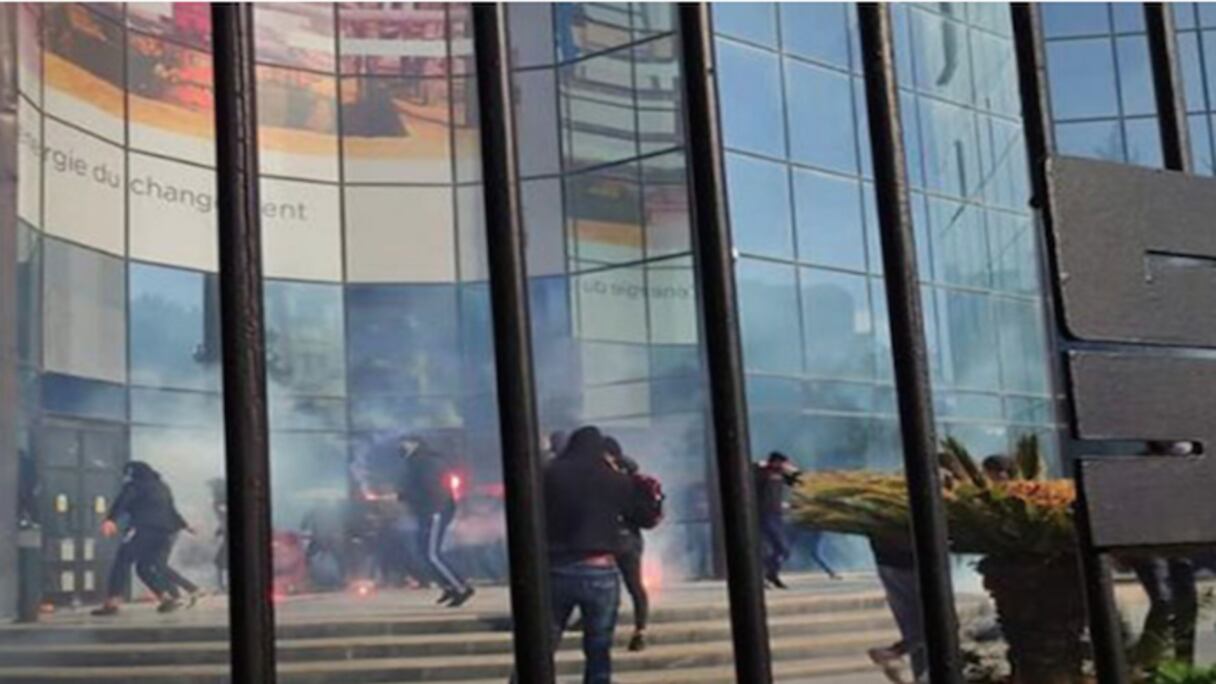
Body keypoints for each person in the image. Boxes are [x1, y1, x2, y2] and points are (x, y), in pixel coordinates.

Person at [544, 426, 658, 684]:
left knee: (543, 642)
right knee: (598, 647)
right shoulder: (615, 479)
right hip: (601, 568)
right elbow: (642, 516)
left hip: (558, 566)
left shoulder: (550, 474)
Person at [1126, 441, 1199, 668]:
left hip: (1177, 539)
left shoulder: (1189, 461)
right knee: (1164, 601)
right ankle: (1147, 664)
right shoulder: (1139, 467)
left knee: (1187, 603)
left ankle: (1183, 665)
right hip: (1147, 542)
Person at [93, 462, 198, 616]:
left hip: (142, 529)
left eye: (127, 473)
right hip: (163, 533)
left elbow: (123, 501)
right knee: (144, 567)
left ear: (132, 473)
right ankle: (166, 598)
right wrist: (184, 525)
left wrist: (111, 519)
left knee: (122, 561)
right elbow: (171, 509)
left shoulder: (134, 485)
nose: (126, 477)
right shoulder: (162, 486)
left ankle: (112, 603)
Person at [397, 436, 474, 607]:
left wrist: (408, 496)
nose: (401, 447)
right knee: (426, 553)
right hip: (430, 512)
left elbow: (429, 488)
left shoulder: (425, 462)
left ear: (415, 444)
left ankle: (460, 586)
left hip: (433, 511)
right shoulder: (419, 462)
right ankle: (450, 585)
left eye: (405, 443)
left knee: (432, 554)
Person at [604, 436, 661, 652]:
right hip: (632, 539)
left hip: (611, 537)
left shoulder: (610, 477)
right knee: (634, 585)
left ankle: (604, 622)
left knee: (608, 583)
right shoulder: (634, 475)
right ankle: (640, 629)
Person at [867, 534, 926, 684]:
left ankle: (894, 654)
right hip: (907, 559)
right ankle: (894, 653)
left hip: (893, 558)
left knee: (919, 629)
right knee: (928, 628)